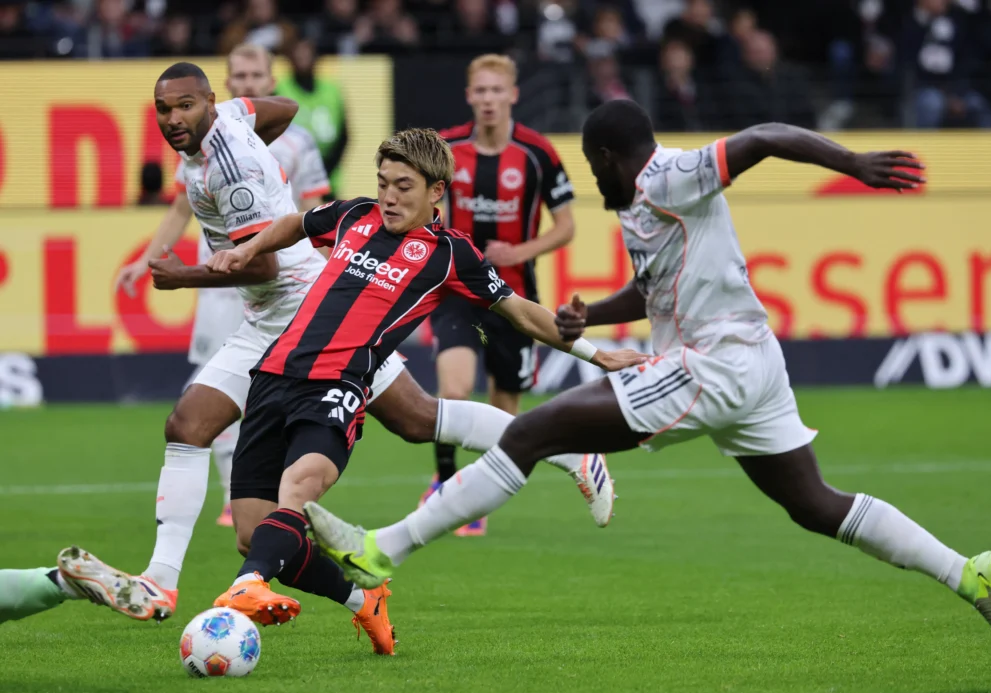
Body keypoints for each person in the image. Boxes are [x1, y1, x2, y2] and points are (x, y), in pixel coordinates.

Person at [304, 101, 991, 661]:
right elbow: (652, 294)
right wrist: (591, 315)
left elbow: (765, 136)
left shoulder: (671, 175)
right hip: (750, 363)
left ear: (610, 157)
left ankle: (381, 550)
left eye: (594, 168)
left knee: (535, 432)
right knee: (814, 504)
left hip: (712, 365)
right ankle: (973, 574)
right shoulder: (642, 210)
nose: (594, 182)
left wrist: (852, 162)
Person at [50, 65, 615, 638]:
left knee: (406, 423)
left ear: (210, 102)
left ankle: (167, 580)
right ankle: (352, 597)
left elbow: (266, 263)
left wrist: (190, 274)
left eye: (186, 107)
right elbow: (284, 140)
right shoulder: (277, 153)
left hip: (309, 313)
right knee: (241, 501)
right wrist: (249, 186)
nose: (174, 119)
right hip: (267, 324)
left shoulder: (237, 172)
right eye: (165, 109)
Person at [197, 127, 644, 634]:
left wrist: (596, 354)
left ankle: (248, 583)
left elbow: (522, 312)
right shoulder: (354, 214)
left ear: (436, 191)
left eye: (403, 186)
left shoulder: (449, 253)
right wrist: (246, 251)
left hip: (338, 386)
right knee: (252, 533)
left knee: (299, 488)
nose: (389, 196)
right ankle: (363, 599)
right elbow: (295, 223)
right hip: (272, 376)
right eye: (383, 182)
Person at [115, 44, 333, 529]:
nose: (248, 82)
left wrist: (327, 270)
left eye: (256, 75)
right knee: (209, 394)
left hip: (282, 284)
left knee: (401, 411)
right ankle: (239, 497)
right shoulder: (204, 138)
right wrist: (150, 260)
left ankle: (278, 496)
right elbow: (181, 207)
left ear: (269, 79)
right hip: (230, 285)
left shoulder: (290, 144)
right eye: (241, 75)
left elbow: (312, 210)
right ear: (228, 84)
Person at [429, 54, 577, 535]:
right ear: (469, 96)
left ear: (512, 95)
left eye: (497, 90)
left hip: (515, 299)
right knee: (454, 391)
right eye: (481, 91)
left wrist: (518, 252)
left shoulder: (537, 153)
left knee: (501, 413)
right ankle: (443, 482)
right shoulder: (447, 147)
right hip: (457, 290)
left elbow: (566, 226)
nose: (489, 99)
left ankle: (475, 498)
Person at [275, 40, 348, 197]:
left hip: (328, 177)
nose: (303, 61)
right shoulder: (279, 90)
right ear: (290, 60)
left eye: (307, 56)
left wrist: (324, 172)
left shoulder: (332, 90)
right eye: (298, 56)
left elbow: (344, 136)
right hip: (291, 180)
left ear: (316, 59)